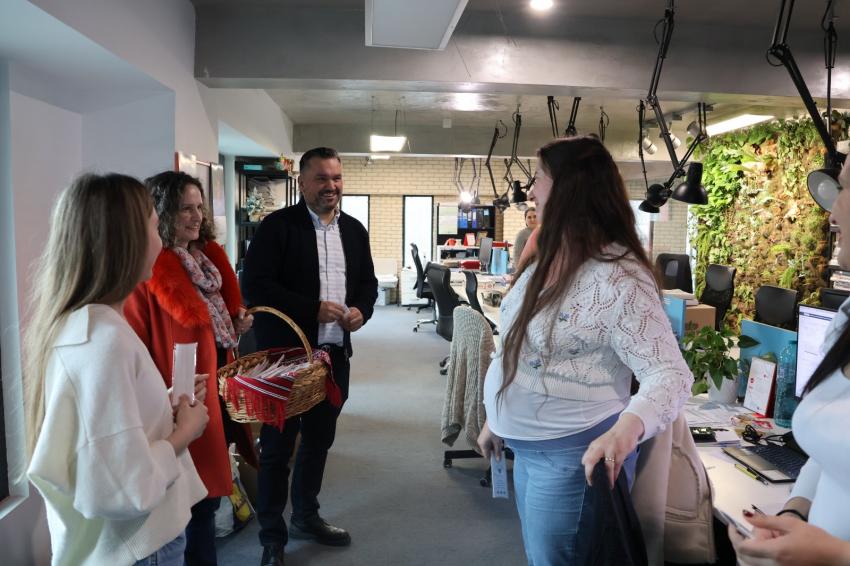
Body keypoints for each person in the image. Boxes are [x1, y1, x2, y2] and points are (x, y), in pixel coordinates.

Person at [477, 136, 693, 565]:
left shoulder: (618, 276)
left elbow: (670, 375)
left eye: (539, 178)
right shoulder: (549, 254)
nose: (531, 191)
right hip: (531, 450)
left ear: (568, 189)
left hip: (573, 459)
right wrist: (495, 417)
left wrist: (626, 429)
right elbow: (518, 343)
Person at [25, 173, 209, 565]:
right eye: (154, 226)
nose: (160, 239)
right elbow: (124, 486)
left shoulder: (89, 325)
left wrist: (160, 405)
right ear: (127, 241)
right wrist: (185, 432)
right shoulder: (103, 341)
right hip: (140, 545)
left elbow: (104, 433)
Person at [241, 146, 378, 566]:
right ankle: (272, 537)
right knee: (277, 448)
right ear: (302, 183)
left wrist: (361, 311)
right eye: (321, 178)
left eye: (336, 178)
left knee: (319, 441)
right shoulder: (277, 227)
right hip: (285, 357)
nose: (331, 186)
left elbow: (368, 284)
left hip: (333, 356)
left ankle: (305, 515)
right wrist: (311, 309)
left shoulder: (354, 230)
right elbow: (255, 286)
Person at [124, 171, 255, 566]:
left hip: (214, 398)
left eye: (199, 207)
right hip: (177, 404)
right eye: (185, 208)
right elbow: (136, 348)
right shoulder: (148, 272)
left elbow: (214, 328)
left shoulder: (207, 260)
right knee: (188, 508)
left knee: (207, 502)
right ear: (161, 213)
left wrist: (236, 324)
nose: (197, 216)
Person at [729, 174, 850, 566]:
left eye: (846, 188)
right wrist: (793, 514)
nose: (832, 213)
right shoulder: (845, 319)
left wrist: (835, 553)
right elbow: (829, 456)